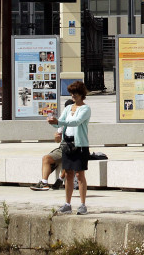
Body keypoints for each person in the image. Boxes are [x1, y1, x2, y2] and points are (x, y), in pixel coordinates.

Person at [47, 82, 90, 215]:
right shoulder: (68, 108)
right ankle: (67, 204)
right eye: (71, 93)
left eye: (75, 94)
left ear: (81, 94)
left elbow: (76, 122)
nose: (72, 96)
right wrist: (53, 123)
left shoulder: (85, 109)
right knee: (69, 174)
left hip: (80, 145)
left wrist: (59, 122)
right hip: (67, 144)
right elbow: (62, 122)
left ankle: (83, 205)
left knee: (79, 174)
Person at [31, 99, 75, 191]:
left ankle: (60, 179)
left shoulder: (78, 121)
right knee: (46, 158)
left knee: (69, 158)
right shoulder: (64, 121)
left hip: (75, 147)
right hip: (63, 147)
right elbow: (57, 140)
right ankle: (44, 183)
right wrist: (57, 136)